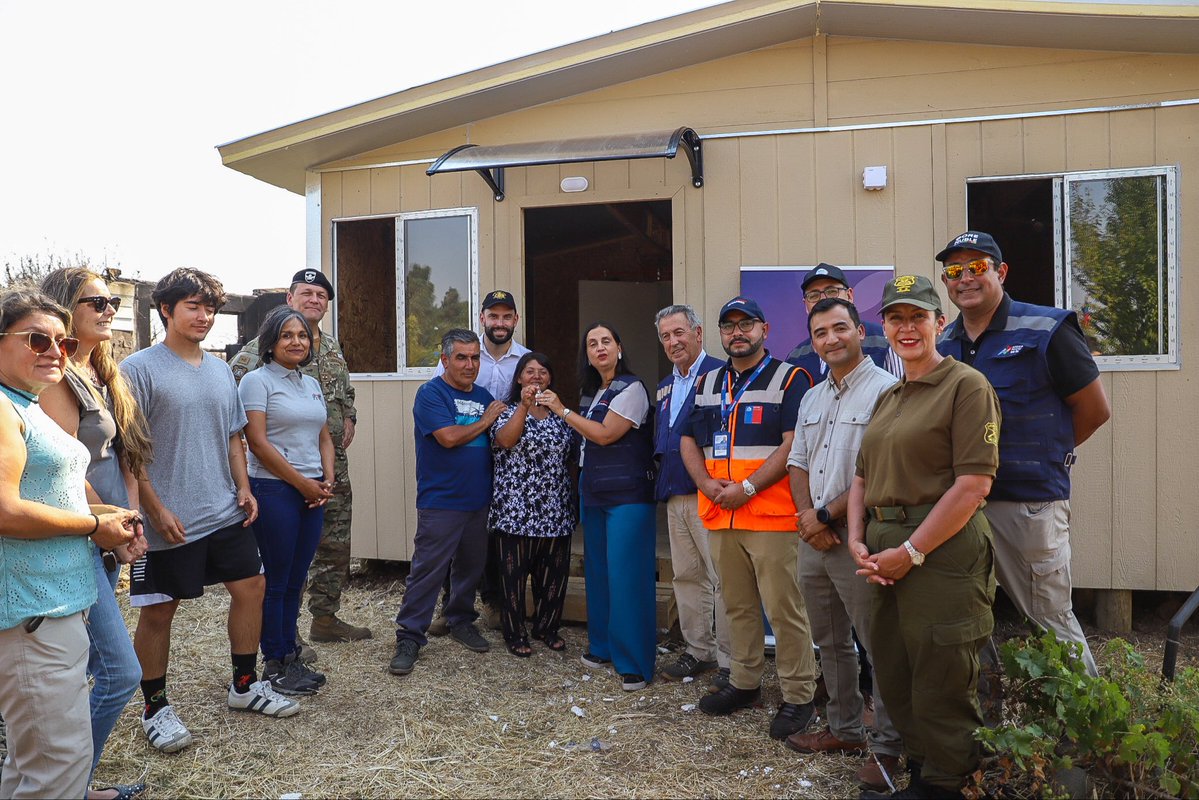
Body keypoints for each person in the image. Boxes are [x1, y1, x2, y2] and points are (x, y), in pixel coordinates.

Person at [122, 268, 299, 755]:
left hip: (223, 509)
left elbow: (233, 436)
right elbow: (129, 450)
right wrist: (153, 509)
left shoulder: (222, 369)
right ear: (166, 310)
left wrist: (244, 488)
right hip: (169, 519)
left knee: (253, 587)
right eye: (193, 307)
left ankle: (244, 685)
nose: (203, 317)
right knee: (159, 612)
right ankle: (155, 708)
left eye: (210, 309)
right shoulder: (138, 369)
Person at [848, 274, 1002, 800]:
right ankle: (920, 767)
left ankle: (946, 781)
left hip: (940, 549)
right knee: (893, 665)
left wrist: (911, 551)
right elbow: (862, 476)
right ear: (884, 327)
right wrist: (856, 540)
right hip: (883, 549)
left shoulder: (966, 385)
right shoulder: (891, 395)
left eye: (918, 317)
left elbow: (974, 484)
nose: (907, 327)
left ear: (941, 323)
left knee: (942, 668)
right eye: (896, 318)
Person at [935, 231, 1110, 678]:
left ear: (1001, 272)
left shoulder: (1046, 328)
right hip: (961, 508)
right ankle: (990, 723)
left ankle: (1088, 727)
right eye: (955, 271)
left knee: (1048, 618)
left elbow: (1093, 410)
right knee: (968, 619)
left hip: (1026, 504)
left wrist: (1043, 457)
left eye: (977, 267)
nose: (965, 279)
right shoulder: (944, 347)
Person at [0, 289, 139, 799]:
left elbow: (47, 492)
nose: (55, 351)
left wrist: (107, 516)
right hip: (32, 615)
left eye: (63, 342)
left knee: (30, 764)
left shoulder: (24, 402)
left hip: (53, 608)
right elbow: (4, 511)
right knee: (59, 766)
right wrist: (91, 528)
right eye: (38, 339)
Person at [679, 296, 819, 741]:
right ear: (720, 334)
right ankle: (744, 683)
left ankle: (800, 696)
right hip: (721, 515)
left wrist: (749, 488)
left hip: (771, 515)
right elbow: (684, 438)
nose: (737, 333)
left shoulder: (792, 378)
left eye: (746, 324)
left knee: (783, 609)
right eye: (729, 326)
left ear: (765, 329)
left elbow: (793, 443)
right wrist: (705, 484)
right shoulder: (707, 383)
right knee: (737, 606)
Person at [39, 269, 153, 800]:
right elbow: (65, 469)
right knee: (118, 674)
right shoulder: (56, 378)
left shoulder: (102, 372)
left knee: (77, 670)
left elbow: (125, 453)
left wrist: (128, 517)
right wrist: (108, 524)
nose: (110, 310)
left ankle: (63, 783)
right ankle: (65, 787)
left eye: (112, 302)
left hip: (106, 532)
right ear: (66, 306)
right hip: (80, 537)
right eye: (97, 302)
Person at [782, 297, 903, 793]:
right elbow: (797, 462)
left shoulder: (885, 391)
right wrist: (808, 519)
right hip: (815, 538)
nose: (830, 340)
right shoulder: (812, 395)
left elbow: (878, 472)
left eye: (839, 329)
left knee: (878, 644)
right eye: (820, 333)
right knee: (830, 641)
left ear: (859, 330)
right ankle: (846, 728)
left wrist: (827, 516)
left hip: (860, 538)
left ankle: (892, 746)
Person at [230, 268, 367, 650]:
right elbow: (235, 409)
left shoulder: (331, 348)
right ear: (289, 299)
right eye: (306, 293)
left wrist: (348, 417)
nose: (314, 300)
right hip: (278, 476)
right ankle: (285, 640)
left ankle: (324, 617)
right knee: (285, 565)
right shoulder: (256, 359)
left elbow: (342, 393)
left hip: (328, 468)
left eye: (321, 296)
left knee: (334, 545)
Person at [534, 322, 656, 691]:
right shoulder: (594, 392)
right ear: (586, 354)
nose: (600, 347)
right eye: (592, 343)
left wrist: (560, 409)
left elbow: (604, 435)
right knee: (599, 574)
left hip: (628, 496)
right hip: (596, 491)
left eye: (606, 341)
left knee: (627, 576)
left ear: (619, 347)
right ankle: (603, 646)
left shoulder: (631, 387)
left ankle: (634, 661)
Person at [389, 329, 506, 676]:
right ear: (445, 359)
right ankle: (409, 636)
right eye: (461, 357)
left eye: (474, 357)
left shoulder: (484, 395)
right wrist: (485, 420)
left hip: (478, 499)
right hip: (441, 500)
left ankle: (459, 620)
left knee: (470, 567)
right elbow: (449, 437)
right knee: (428, 570)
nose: (470, 364)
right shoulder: (431, 394)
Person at [239, 306, 336, 694]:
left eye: (302, 336)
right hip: (276, 488)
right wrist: (302, 484)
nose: (296, 341)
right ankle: (274, 663)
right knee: (276, 581)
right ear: (271, 342)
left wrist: (326, 479)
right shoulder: (256, 382)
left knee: (297, 577)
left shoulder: (309, 382)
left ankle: (291, 655)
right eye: (287, 335)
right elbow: (258, 444)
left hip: (312, 491)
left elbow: (324, 435)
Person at [430, 290, 529, 632]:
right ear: (483, 318)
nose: (499, 323)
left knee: (493, 533)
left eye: (506, 316)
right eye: (493, 316)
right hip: (465, 453)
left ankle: (494, 602)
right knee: (455, 534)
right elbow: (439, 403)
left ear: (515, 320)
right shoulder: (463, 354)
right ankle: (450, 607)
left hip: (510, 456)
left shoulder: (526, 359)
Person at [651, 304, 731, 685]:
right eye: (666, 336)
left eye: (679, 332)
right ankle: (700, 651)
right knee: (686, 576)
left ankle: (732, 661)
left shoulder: (721, 374)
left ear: (698, 334)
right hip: (674, 490)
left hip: (708, 492)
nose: (673, 341)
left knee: (722, 578)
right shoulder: (666, 384)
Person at [488, 352, 576, 657]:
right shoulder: (505, 411)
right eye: (529, 371)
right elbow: (506, 441)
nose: (536, 376)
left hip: (555, 510)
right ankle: (515, 633)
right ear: (519, 379)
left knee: (553, 577)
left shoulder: (560, 415)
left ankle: (547, 627)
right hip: (515, 512)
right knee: (512, 579)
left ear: (550, 379)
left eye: (542, 371)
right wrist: (524, 408)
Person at [786, 263, 903, 380]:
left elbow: (901, 392)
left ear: (850, 295)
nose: (823, 299)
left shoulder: (884, 341)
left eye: (832, 291)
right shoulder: (796, 357)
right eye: (814, 295)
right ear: (806, 305)